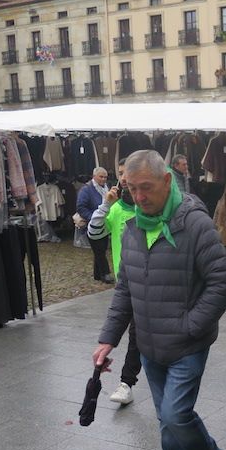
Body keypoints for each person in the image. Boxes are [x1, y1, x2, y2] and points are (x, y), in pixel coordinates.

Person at [92, 149, 226, 450]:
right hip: (150, 344)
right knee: (164, 418)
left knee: (174, 413)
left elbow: (222, 283)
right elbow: (125, 288)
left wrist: (189, 325)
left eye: (146, 188)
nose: (138, 197)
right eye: (131, 188)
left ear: (167, 180)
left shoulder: (195, 224)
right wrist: (108, 338)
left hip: (187, 343)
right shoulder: (134, 224)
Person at [88, 158, 140, 405]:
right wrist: (105, 205)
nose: (123, 178)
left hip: (149, 281)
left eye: (126, 173)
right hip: (125, 282)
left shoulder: (148, 207)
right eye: (119, 173)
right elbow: (94, 232)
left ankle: (127, 382)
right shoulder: (117, 208)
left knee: (137, 333)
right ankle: (127, 382)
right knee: (136, 333)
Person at [77, 167, 113, 284]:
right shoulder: (86, 190)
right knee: (100, 250)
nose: (103, 179)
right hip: (93, 224)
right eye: (101, 177)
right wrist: (93, 217)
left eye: (105, 177)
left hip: (105, 225)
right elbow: (81, 207)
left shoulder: (106, 188)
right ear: (94, 176)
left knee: (100, 249)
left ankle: (97, 274)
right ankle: (105, 273)